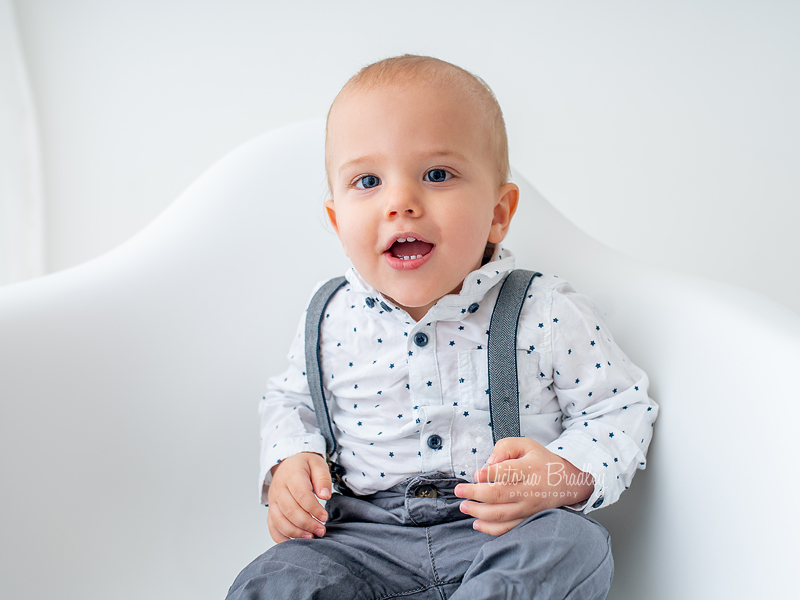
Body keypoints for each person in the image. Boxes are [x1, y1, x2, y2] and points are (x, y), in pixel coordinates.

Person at [226, 55, 657, 600]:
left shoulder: (543, 310)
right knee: (276, 578)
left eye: (436, 175)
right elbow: (292, 402)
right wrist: (290, 461)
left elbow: (619, 407)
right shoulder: (330, 317)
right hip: (360, 543)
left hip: (499, 530)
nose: (400, 203)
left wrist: (565, 474)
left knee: (571, 545)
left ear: (499, 212)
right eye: (367, 181)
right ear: (337, 223)